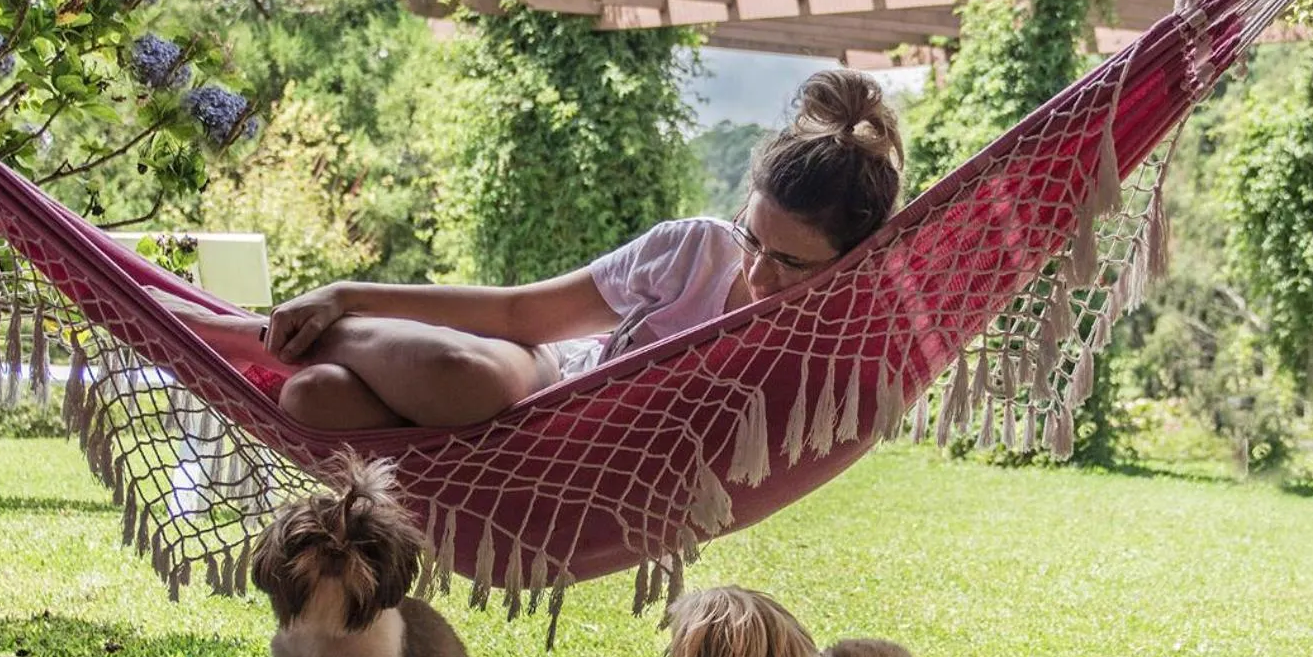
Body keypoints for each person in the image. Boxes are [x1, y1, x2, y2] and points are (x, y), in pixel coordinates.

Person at [168, 70, 905, 430]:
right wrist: (347, 294)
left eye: (790, 261)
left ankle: (242, 340)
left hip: (577, 457)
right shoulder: (696, 252)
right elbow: (519, 314)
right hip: (553, 386)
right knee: (464, 372)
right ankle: (233, 334)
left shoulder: (839, 345)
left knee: (315, 398)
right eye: (752, 236)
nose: (757, 271)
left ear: (851, 259)